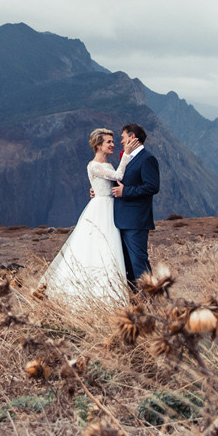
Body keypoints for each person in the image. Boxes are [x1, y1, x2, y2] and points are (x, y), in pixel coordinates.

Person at [38, 127, 130, 303]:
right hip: (101, 208)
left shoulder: (106, 164)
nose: (113, 144)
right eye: (108, 142)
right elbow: (118, 175)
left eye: (112, 141)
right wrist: (126, 154)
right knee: (99, 246)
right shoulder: (94, 165)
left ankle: (110, 291)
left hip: (109, 205)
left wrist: (96, 189)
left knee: (108, 248)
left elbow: (109, 181)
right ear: (98, 145)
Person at [110, 122, 161, 282]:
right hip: (122, 221)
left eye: (123, 137)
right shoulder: (127, 158)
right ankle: (134, 301)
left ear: (132, 137)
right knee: (126, 266)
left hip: (136, 221)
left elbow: (152, 187)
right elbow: (119, 182)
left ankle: (150, 301)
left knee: (139, 263)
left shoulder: (147, 159)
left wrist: (125, 192)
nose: (121, 141)